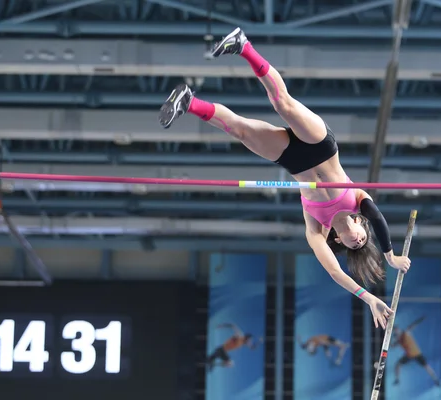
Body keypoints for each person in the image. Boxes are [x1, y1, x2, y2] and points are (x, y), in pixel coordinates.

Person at [158, 27, 411, 329]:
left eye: (353, 245)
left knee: (238, 130)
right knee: (283, 104)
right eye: (362, 237)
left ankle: (189, 102)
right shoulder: (359, 202)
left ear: (338, 239)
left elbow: (333, 272)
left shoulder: (316, 228)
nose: (358, 239)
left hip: (292, 160)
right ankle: (243, 45)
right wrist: (390, 255)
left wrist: (368, 297)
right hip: (320, 145)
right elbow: (378, 218)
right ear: (360, 225)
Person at [392, 316, 441, 387]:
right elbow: (393, 346)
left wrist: (421, 319)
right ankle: (397, 379)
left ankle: (435, 379)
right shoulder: (399, 340)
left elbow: (413, 325)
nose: (397, 333)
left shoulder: (406, 332)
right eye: (395, 332)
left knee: (426, 366)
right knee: (398, 364)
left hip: (417, 354)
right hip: (409, 355)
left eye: (397, 330)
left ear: (398, 330)